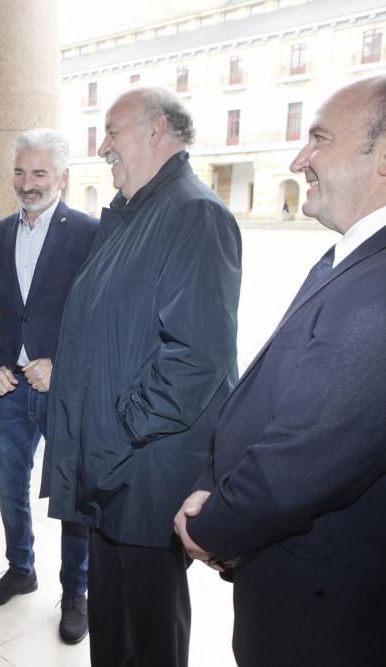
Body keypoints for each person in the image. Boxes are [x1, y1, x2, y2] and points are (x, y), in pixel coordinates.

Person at [176, 75, 386, 667]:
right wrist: (215, 476)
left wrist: (213, 525)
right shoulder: (358, 254)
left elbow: (309, 451)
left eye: (319, 139)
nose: (299, 160)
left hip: (323, 616)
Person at [38, 88, 242, 667]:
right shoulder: (133, 212)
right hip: (110, 465)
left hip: (143, 466)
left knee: (150, 626)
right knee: (112, 615)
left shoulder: (194, 214)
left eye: (112, 131)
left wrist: (115, 429)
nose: (104, 146)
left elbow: (196, 358)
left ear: (156, 131)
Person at [0, 129, 98, 643]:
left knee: (70, 496)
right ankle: (21, 569)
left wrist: (61, 364)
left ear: (62, 177)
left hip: (65, 391)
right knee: (7, 487)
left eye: (39, 173)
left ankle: (75, 592)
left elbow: (100, 314)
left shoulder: (90, 231)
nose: (27, 183)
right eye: (20, 172)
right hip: (12, 390)